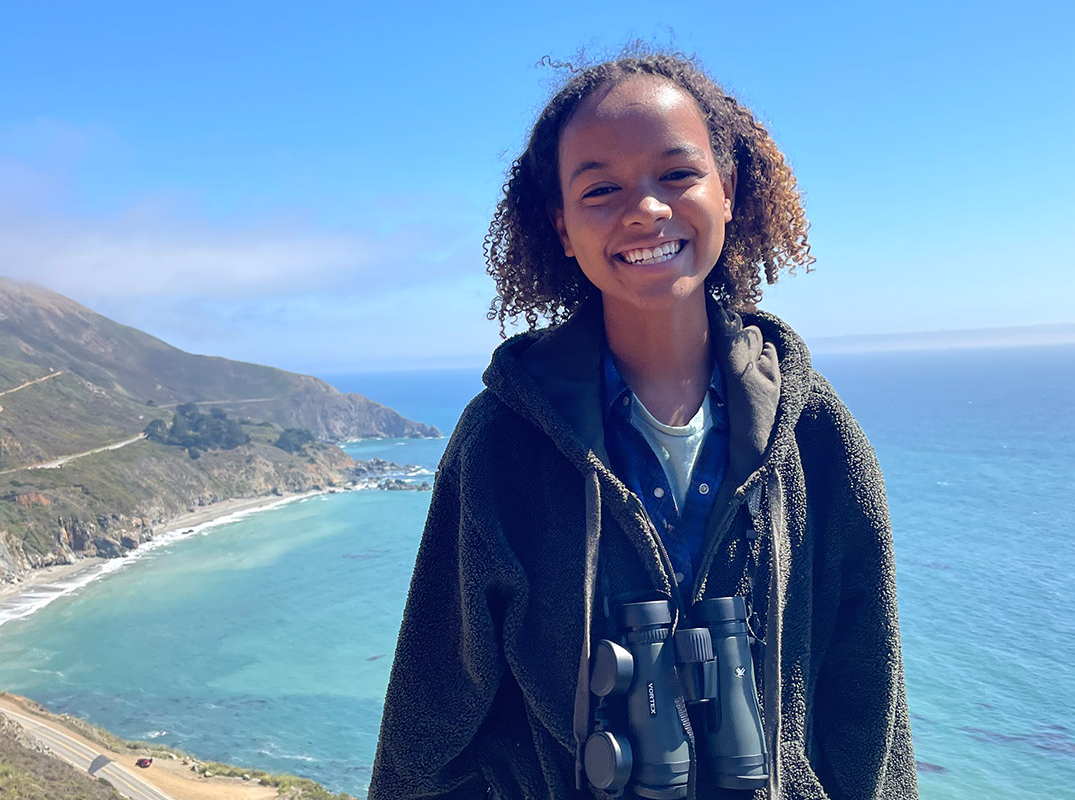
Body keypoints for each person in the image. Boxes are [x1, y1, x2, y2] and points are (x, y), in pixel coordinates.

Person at [370, 51, 918, 800]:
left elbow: (869, 707)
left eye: (677, 175)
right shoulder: (501, 442)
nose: (647, 209)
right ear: (561, 227)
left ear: (728, 190)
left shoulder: (815, 433)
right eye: (601, 188)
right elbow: (431, 718)